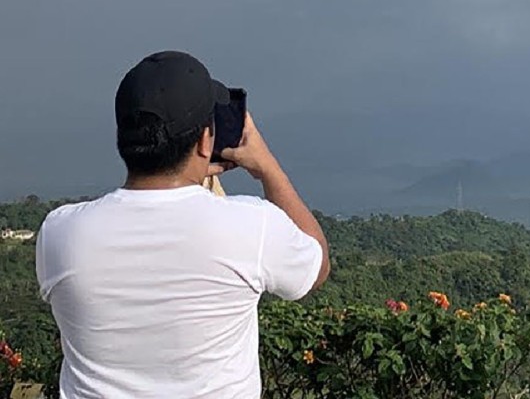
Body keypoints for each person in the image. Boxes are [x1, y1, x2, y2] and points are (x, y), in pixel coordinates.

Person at [36, 50, 330, 399]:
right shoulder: (251, 227)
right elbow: (316, 269)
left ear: (123, 136)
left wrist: (185, 174)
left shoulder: (60, 233)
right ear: (206, 140)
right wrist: (266, 166)